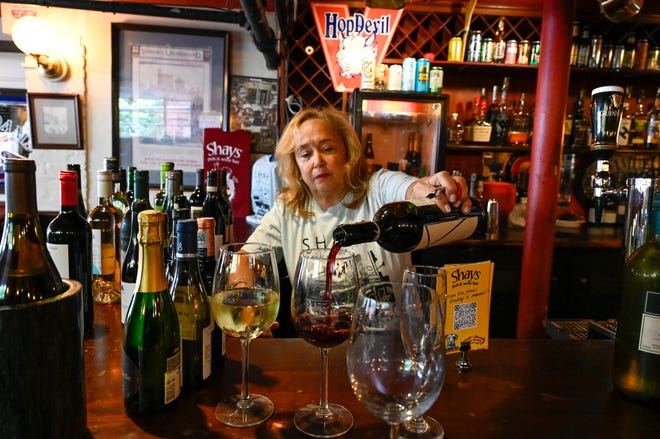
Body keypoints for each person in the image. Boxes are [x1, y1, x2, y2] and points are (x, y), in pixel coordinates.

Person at [247, 106, 471, 287]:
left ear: (347, 153)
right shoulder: (288, 209)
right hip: (318, 337)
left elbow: (412, 188)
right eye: (305, 154)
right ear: (296, 165)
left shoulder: (378, 187)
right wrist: (246, 304)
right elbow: (243, 262)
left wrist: (436, 189)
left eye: (327, 149)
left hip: (389, 336)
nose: (317, 161)